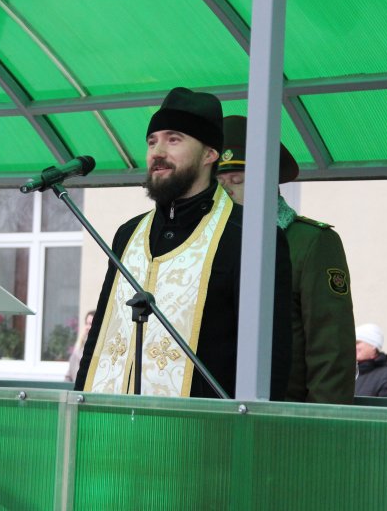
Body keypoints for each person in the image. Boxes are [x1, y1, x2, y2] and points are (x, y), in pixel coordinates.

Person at [75, 87, 292, 399]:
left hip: (200, 425)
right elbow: (100, 334)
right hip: (112, 422)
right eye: (152, 141)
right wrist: (79, 407)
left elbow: (271, 358)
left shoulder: (249, 236)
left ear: (209, 154)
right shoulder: (129, 233)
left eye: (174, 139)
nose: (157, 152)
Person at [216, 115, 356, 404]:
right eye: (218, 182)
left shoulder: (310, 241)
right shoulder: (211, 246)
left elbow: (330, 348)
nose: (226, 190)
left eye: (238, 180)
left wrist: (319, 421)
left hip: (284, 413)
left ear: (267, 182)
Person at [354, 323, 387, 398]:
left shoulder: (386, 376)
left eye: (357, 343)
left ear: (373, 345)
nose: (353, 347)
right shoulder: (351, 373)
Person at [66, 310, 95, 382]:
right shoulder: (77, 352)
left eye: (91, 324)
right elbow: (68, 378)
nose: (87, 327)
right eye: (86, 323)